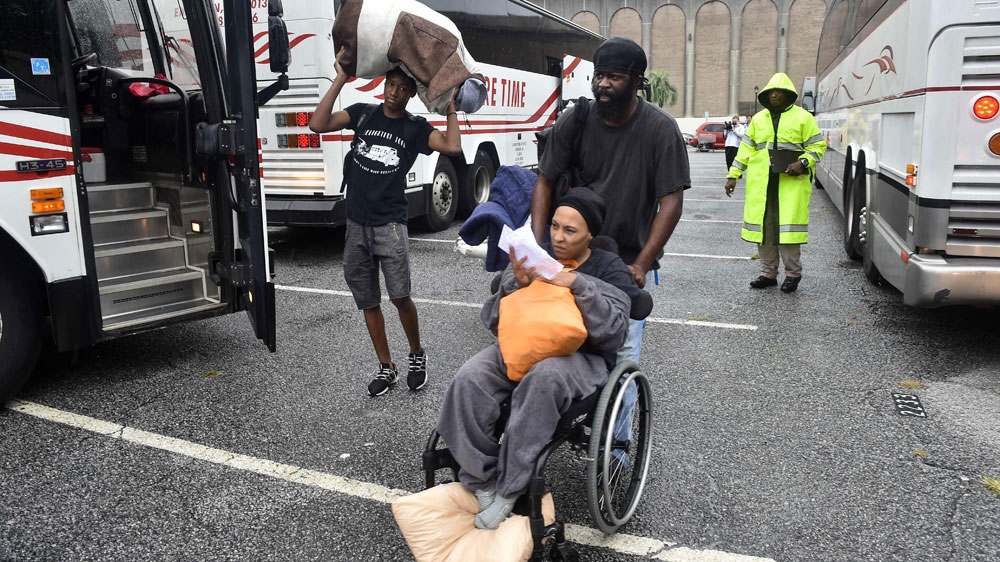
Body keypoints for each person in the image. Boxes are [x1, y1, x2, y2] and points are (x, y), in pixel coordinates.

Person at [437, 188, 635, 530]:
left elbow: (613, 333)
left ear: (591, 234)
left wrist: (576, 283)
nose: (558, 237)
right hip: (525, 342)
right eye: (555, 226)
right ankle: (482, 480)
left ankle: (510, 489)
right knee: (470, 378)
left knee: (543, 380)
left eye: (570, 231)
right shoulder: (536, 255)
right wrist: (516, 284)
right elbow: (493, 321)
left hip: (581, 356)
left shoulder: (609, 268)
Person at [309, 49, 462, 396]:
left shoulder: (414, 128)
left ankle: (416, 354)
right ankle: (386, 367)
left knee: (400, 297)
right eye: (390, 85)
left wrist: (450, 106)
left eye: (402, 88)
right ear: (382, 84)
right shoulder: (362, 114)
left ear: (411, 94)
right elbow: (317, 125)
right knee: (368, 300)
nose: (394, 93)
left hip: (390, 224)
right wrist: (341, 78)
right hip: (356, 224)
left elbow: (452, 147)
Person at [529, 37, 690, 365]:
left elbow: (670, 202)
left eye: (614, 77)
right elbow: (544, 181)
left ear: (636, 82)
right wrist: (536, 246)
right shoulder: (576, 119)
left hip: (626, 260)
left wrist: (642, 264)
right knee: (558, 347)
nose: (603, 84)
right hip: (574, 253)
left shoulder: (661, 130)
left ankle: (617, 412)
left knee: (621, 357)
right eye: (599, 75)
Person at [724, 72, 826, 293]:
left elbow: (818, 147)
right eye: (771, 92)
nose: (774, 95)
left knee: (787, 232)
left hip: (791, 185)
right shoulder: (759, 120)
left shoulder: (803, 118)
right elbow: (746, 150)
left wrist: (803, 161)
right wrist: (733, 175)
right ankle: (768, 273)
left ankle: (793, 274)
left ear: (789, 95)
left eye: (779, 92)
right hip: (762, 185)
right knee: (765, 231)